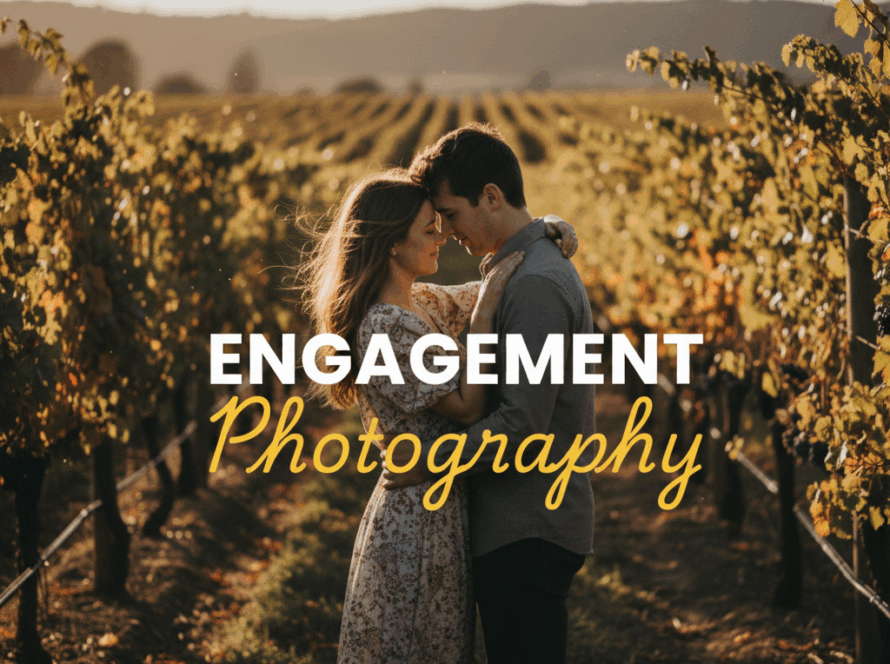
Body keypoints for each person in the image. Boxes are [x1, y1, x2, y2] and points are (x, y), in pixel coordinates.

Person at [300, 167, 577, 664]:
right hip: (415, 522)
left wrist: (542, 228)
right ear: (389, 242)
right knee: (417, 646)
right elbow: (469, 406)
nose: (443, 239)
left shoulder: (421, 302)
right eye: (430, 230)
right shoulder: (385, 326)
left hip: (440, 508)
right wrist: (486, 318)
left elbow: (503, 279)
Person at [382, 123, 597, 664]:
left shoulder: (534, 285)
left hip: (527, 528)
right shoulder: (520, 270)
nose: (446, 232)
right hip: (523, 523)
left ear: (492, 197)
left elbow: (521, 424)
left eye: (450, 214)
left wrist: (428, 462)